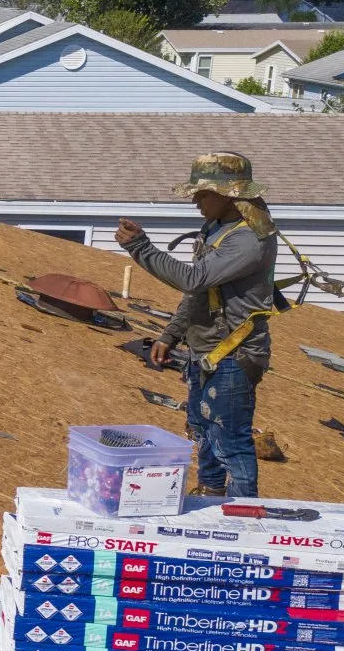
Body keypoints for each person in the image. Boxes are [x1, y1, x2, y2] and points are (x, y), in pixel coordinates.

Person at [115, 152, 278, 498]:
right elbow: (202, 292)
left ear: (228, 194)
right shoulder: (217, 228)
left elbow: (192, 279)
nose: (195, 202)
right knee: (203, 429)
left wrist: (140, 248)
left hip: (234, 354)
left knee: (230, 440)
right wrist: (172, 334)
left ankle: (243, 515)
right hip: (206, 348)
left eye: (202, 194)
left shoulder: (249, 239)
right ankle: (210, 494)